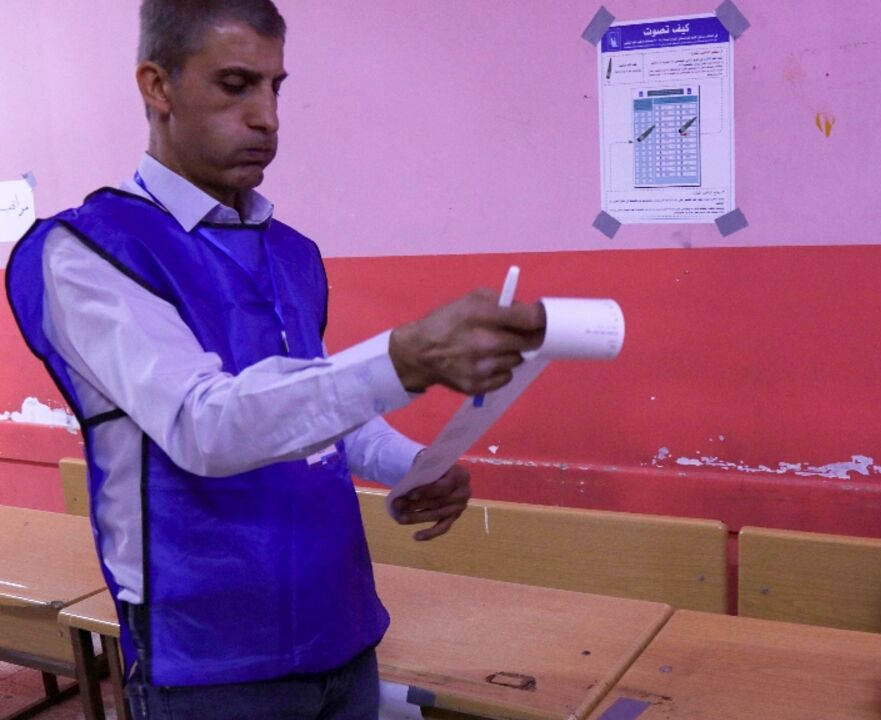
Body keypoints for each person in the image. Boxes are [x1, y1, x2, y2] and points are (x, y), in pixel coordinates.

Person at [4, 1, 545, 717]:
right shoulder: (88, 252)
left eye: (275, 86)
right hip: (209, 656)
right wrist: (404, 358)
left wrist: (412, 465)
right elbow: (207, 427)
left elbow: (318, 413)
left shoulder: (289, 251)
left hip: (339, 621)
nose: (267, 117)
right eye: (235, 85)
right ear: (157, 87)